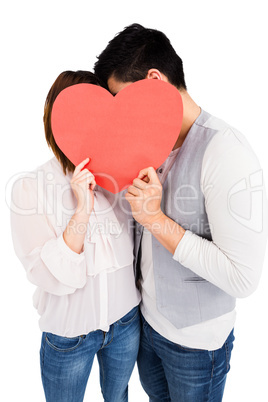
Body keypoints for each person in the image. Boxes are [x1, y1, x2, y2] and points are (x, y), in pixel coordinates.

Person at [94, 24, 268, 401]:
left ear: (154, 81)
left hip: (196, 345)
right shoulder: (147, 146)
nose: (120, 117)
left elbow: (243, 279)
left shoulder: (226, 151)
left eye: (122, 101)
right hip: (147, 330)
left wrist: (155, 219)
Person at [10, 70, 141, 402]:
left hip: (126, 324)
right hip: (68, 336)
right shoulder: (30, 187)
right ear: (56, 120)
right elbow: (54, 275)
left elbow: (141, 250)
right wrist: (81, 208)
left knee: (119, 398)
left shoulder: (121, 180)